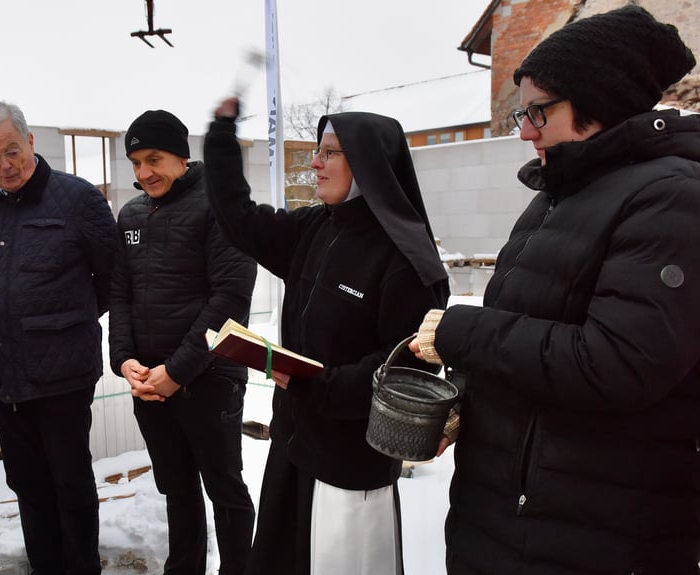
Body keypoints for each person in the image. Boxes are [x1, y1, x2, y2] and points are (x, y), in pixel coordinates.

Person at [408, 5, 700, 574]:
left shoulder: (672, 199)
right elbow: (528, 332)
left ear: (600, 101)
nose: (524, 131)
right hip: (505, 520)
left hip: (598, 537)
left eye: (538, 112)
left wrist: (464, 332)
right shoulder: (554, 197)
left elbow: (617, 363)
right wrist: (468, 401)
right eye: (522, 113)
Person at [204, 100, 449, 574]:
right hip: (293, 447)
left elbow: (408, 368)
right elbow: (239, 221)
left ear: (369, 166)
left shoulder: (408, 261)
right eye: (318, 151)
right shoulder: (316, 227)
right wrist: (220, 138)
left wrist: (317, 385)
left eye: (330, 153)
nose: (314, 162)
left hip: (348, 467)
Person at [0, 101, 117, 575]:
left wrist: (63, 323)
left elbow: (111, 278)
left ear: (30, 141)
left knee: (69, 484)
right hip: (3, 370)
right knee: (26, 483)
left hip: (63, 374)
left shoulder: (77, 199)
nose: (4, 164)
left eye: (11, 150)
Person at [110, 110, 257, 574]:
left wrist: (176, 372)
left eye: (154, 159)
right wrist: (124, 359)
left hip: (210, 379)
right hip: (151, 383)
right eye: (135, 162)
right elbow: (121, 292)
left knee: (225, 491)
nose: (143, 173)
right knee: (177, 488)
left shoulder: (219, 206)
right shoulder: (131, 214)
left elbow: (231, 297)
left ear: (181, 156)